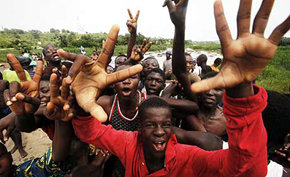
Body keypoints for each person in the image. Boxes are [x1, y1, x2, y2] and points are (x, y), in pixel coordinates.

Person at [67, 0, 289, 175]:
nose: (160, 131)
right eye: (151, 125)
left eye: (165, 124)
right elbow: (91, 131)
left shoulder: (190, 158)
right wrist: (79, 103)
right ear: (138, 128)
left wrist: (241, 91)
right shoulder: (128, 144)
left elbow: (246, 168)